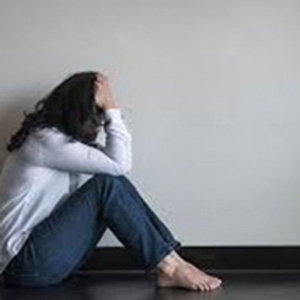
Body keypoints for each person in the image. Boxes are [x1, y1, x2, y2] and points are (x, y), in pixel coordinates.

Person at [0, 71, 222, 291]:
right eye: (97, 112)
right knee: (107, 185)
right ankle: (170, 267)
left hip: (43, 262)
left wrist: (110, 108)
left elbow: (117, 164)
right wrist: (112, 108)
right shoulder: (44, 139)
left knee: (113, 183)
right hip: (23, 263)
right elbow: (119, 164)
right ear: (81, 111)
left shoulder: (65, 143)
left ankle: (173, 261)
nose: (98, 123)